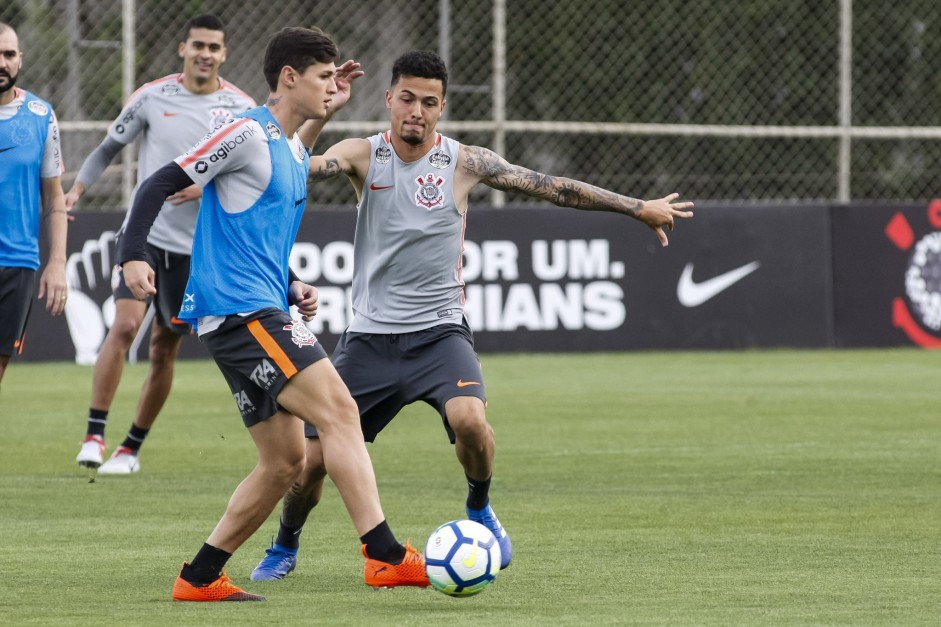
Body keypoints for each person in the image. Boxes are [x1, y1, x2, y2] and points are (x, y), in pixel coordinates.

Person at [249, 50, 694, 581]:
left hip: (440, 333)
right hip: (368, 338)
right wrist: (324, 109)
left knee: (471, 423)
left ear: (442, 109)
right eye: (407, 98)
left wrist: (635, 206)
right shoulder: (362, 155)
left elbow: (552, 187)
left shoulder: (466, 162)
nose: (416, 110)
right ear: (389, 99)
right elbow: (294, 164)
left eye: (429, 102)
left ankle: (479, 505)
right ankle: (285, 544)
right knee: (313, 462)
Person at [118, 26, 428, 602]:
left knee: (284, 461)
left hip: (256, 308)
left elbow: (252, 234)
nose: (333, 85)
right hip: (239, 312)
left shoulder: (289, 150)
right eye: (321, 76)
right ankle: (384, 554)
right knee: (340, 410)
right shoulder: (245, 133)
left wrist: (290, 283)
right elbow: (161, 180)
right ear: (289, 78)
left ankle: (200, 576)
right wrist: (131, 255)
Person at [72, 14, 255, 474]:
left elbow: (248, 174)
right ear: (183, 49)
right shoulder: (153, 96)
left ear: (224, 54)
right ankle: (95, 434)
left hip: (198, 249)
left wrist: (206, 186)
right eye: (198, 45)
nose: (205, 54)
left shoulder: (240, 107)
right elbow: (106, 149)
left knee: (163, 348)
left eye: (214, 46)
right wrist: (77, 189)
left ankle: (131, 448)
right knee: (125, 326)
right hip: (145, 236)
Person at [0, 22, 69, 388]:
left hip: (17, 264)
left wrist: (56, 263)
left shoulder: (42, 116)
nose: (2, 62)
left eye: (9, 55)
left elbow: (54, 196)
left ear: (20, 60)